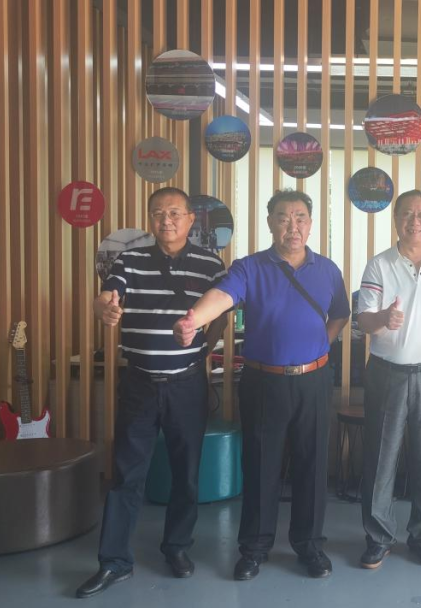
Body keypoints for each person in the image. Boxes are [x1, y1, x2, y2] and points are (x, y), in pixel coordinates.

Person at [173, 190, 350, 582]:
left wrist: (320, 345)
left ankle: (309, 545)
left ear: (311, 224)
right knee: (260, 465)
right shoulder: (249, 267)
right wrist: (193, 319)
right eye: (284, 217)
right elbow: (221, 296)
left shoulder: (327, 270)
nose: (293, 226)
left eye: (300, 217)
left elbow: (340, 314)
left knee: (312, 465)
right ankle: (254, 548)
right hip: (263, 380)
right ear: (270, 222)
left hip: (314, 380)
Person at [76, 187, 227, 598]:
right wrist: (104, 309)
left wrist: (206, 347)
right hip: (139, 383)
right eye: (158, 212)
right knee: (126, 474)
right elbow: (106, 295)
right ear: (150, 219)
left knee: (186, 473)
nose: (167, 220)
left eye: (175, 212)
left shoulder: (210, 264)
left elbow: (222, 311)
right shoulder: (130, 260)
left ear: (191, 219)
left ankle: (177, 547)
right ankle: (114, 562)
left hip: (187, 384)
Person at [355, 190, 421, 569]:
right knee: (381, 458)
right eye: (408, 214)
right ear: (396, 218)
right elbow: (363, 319)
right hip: (387, 373)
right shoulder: (379, 265)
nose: (416, 222)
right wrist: (384, 318)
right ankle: (378, 538)